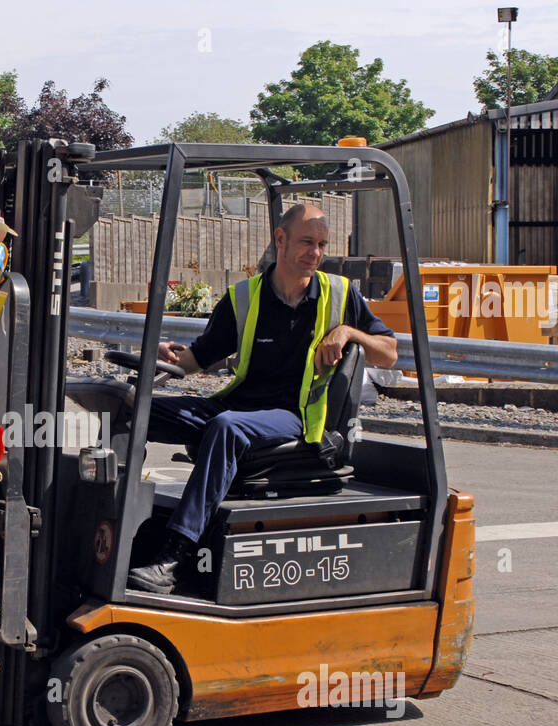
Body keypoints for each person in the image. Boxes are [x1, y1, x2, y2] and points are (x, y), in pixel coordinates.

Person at [127, 203, 399, 594]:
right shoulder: (244, 297)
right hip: (240, 406)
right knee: (134, 406)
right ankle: (113, 520)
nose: (315, 253)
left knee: (227, 427)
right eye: (307, 242)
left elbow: (388, 352)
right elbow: (198, 360)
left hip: (296, 416)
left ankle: (174, 554)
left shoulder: (340, 294)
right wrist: (168, 356)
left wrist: (349, 333)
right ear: (281, 239)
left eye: (322, 244)